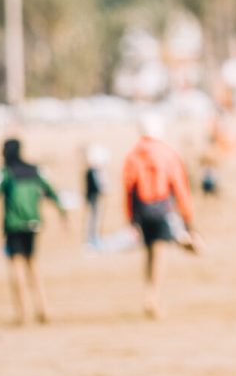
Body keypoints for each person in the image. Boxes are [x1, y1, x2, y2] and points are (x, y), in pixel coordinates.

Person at [0, 138, 68, 325]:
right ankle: (42, 307)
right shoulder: (36, 170)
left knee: (17, 266)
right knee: (33, 264)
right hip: (34, 224)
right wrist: (63, 214)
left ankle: (22, 313)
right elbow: (53, 193)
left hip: (14, 225)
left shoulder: (4, 173)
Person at [121, 114, 199, 319]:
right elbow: (180, 188)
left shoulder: (132, 155)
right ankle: (152, 296)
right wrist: (188, 220)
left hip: (141, 211)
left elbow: (128, 189)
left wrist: (130, 218)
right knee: (160, 254)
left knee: (148, 253)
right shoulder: (168, 153)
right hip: (162, 209)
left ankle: (150, 292)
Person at [81, 144, 107, 247]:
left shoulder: (93, 171)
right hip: (93, 198)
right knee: (92, 218)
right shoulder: (91, 172)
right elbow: (96, 186)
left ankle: (94, 237)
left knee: (95, 218)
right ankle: (91, 238)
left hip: (94, 198)